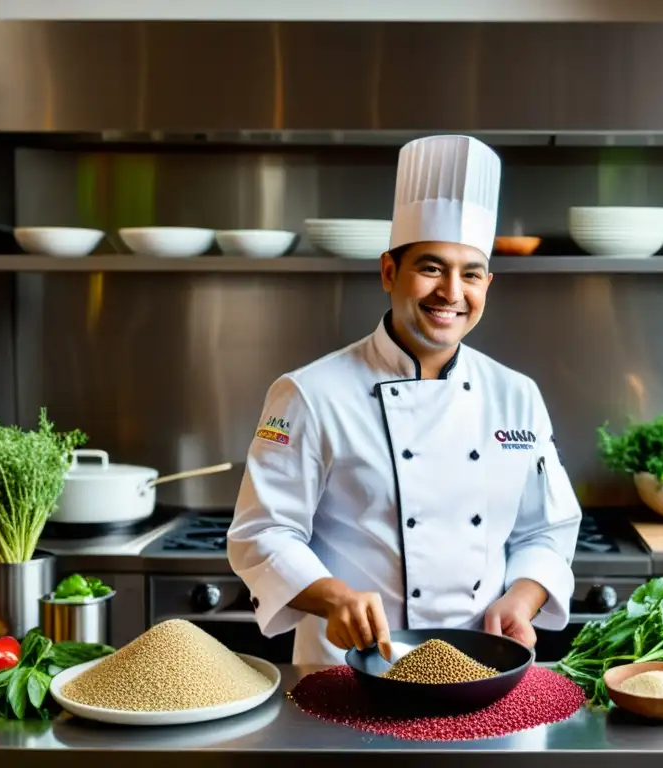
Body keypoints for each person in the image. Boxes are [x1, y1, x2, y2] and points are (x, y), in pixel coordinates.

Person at [228, 135, 582, 665]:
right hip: (348, 672)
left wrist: (523, 597)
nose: (452, 293)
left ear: (489, 284)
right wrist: (333, 597)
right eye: (432, 268)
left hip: (482, 669)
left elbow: (547, 528)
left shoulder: (517, 395)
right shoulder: (310, 393)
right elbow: (262, 533)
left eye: (471, 274)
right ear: (390, 273)